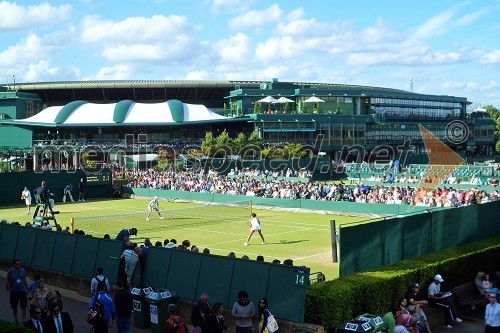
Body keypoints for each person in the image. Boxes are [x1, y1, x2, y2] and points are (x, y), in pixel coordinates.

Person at [6, 259, 29, 323]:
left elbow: (24, 280)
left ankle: (24, 319)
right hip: (14, 291)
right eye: (17, 264)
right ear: (14, 264)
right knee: (14, 306)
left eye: (20, 264)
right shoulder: (10, 271)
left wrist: (27, 289)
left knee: (24, 306)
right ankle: (15, 318)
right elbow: (8, 280)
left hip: (22, 291)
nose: (19, 265)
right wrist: (10, 289)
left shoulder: (23, 270)